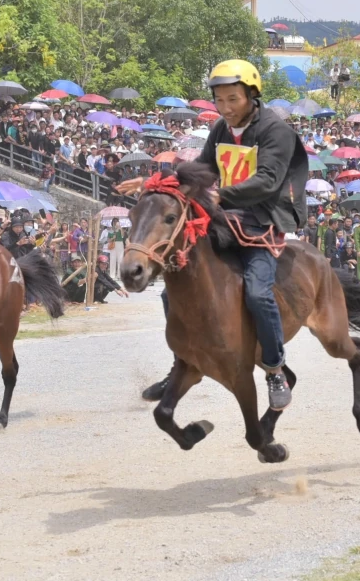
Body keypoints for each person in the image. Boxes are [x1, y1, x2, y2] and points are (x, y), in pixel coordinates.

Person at [120, 59, 308, 411]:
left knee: (257, 291)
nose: (226, 108)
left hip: (263, 221)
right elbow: (200, 172)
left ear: (252, 95)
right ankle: (183, 363)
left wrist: (221, 195)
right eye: (220, 101)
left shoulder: (276, 131)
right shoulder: (221, 129)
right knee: (174, 286)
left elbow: (267, 180)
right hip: (226, 218)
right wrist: (151, 183)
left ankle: (275, 369)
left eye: (233, 99)